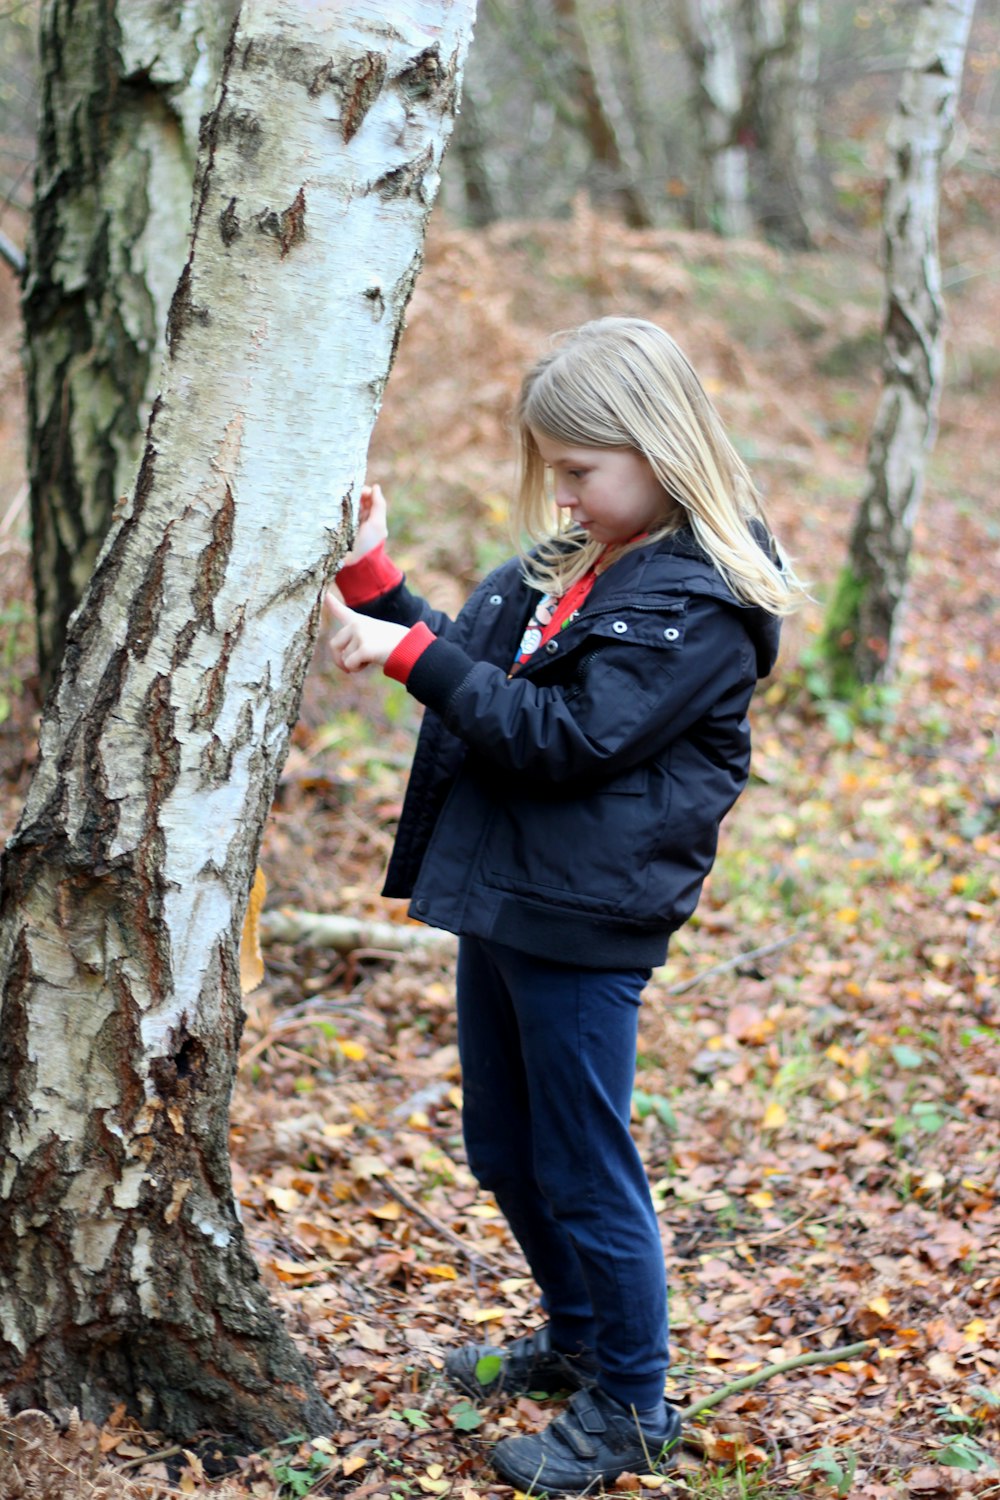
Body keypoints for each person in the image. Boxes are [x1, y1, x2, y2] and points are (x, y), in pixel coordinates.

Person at [326, 317, 801, 1494]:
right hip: (506, 893)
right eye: (554, 474)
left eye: (583, 473)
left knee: (583, 1162)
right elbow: (474, 666)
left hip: (584, 921)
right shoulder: (563, 568)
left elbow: (567, 738)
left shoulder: (694, 602)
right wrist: (376, 584)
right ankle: (579, 1340)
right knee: (504, 1147)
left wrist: (393, 659)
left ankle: (632, 1404)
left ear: (656, 448)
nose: (568, 497)